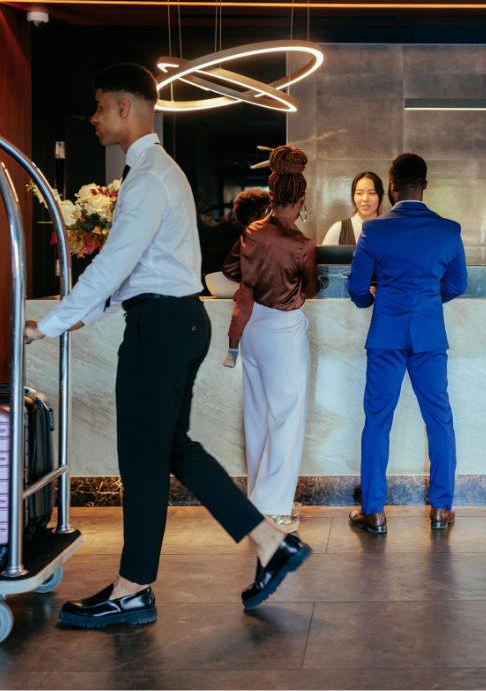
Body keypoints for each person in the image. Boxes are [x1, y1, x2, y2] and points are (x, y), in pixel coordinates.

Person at [24, 63, 312, 624]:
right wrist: (86, 315)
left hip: (161, 329)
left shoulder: (149, 176)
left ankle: (133, 589)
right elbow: (139, 271)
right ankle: (269, 543)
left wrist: (51, 323)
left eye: (101, 106)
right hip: (174, 321)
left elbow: (115, 264)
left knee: (142, 456)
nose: (95, 117)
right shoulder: (158, 172)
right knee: (169, 448)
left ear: (125, 108)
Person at [346, 153, 467, 534]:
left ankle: (374, 512)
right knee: (440, 419)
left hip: (386, 336)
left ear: (391, 185)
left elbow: (355, 287)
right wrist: (429, 302)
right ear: (425, 185)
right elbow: (457, 285)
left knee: (378, 421)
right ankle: (441, 508)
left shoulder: (374, 230)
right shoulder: (449, 230)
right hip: (430, 336)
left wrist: (374, 301)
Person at [222, 145, 318, 533]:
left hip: (252, 330)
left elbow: (230, 269)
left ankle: (260, 501)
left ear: (273, 194)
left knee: (258, 417)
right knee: (286, 419)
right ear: (302, 199)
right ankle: (274, 508)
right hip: (282, 331)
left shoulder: (250, 231)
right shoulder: (303, 243)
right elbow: (308, 287)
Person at [223, 188, 270, 369]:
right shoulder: (250, 234)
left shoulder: (265, 234)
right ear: (253, 218)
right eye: (268, 212)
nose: (271, 215)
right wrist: (247, 279)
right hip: (252, 288)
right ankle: (232, 350)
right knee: (240, 313)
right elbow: (228, 268)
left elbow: (228, 268)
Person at [322, 172, 384, 246]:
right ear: (353, 197)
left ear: (381, 197)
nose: (365, 199)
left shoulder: (389, 229)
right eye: (359, 193)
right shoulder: (338, 230)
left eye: (371, 193)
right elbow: (325, 257)